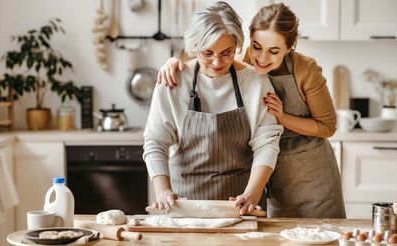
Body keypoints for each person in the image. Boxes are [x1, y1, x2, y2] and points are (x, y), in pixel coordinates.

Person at [156, 3, 346, 218]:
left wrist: (281, 117)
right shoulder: (244, 64)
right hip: (271, 175)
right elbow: (212, 56)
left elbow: (327, 127)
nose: (262, 58)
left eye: (274, 51)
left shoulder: (305, 70)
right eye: (256, 46)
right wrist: (175, 63)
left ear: (289, 48)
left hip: (311, 173)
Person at [143, 1, 283, 215]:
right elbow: (155, 141)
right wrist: (162, 190)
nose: (217, 62)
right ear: (194, 47)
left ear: (237, 45)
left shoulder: (256, 81)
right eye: (207, 53)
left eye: (227, 53)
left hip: (240, 205)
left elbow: (267, 143)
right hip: (184, 205)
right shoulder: (173, 81)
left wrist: (252, 195)